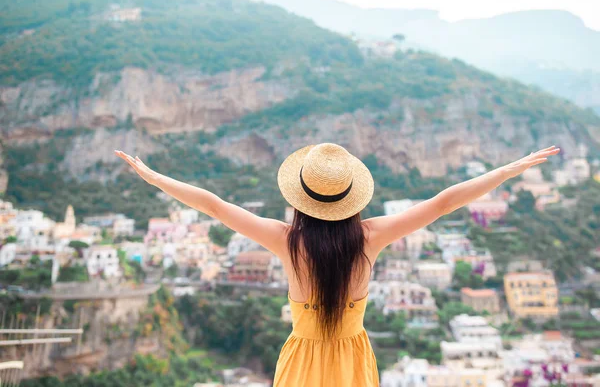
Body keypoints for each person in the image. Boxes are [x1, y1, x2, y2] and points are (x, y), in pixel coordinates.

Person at [115, 143, 559, 386]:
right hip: (352, 361)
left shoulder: (286, 241)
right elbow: (442, 203)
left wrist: (155, 178)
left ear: (301, 198)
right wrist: (506, 170)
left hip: (301, 362)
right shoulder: (371, 237)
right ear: (351, 197)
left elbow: (214, 206)